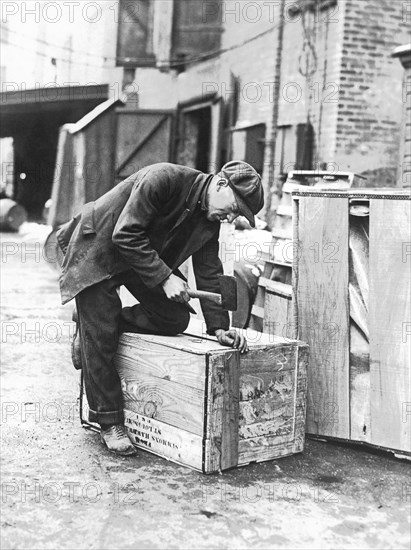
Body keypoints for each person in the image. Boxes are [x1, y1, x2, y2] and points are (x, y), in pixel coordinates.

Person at [57, 161, 264, 456]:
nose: (231, 217)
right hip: (98, 246)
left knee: (174, 317)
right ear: (220, 184)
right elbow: (125, 234)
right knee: (101, 335)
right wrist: (165, 277)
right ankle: (108, 420)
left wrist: (219, 327)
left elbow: (208, 269)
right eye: (234, 208)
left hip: (137, 257)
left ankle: (89, 327)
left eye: (238, 215)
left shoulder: (209, 220)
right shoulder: (163, 179)